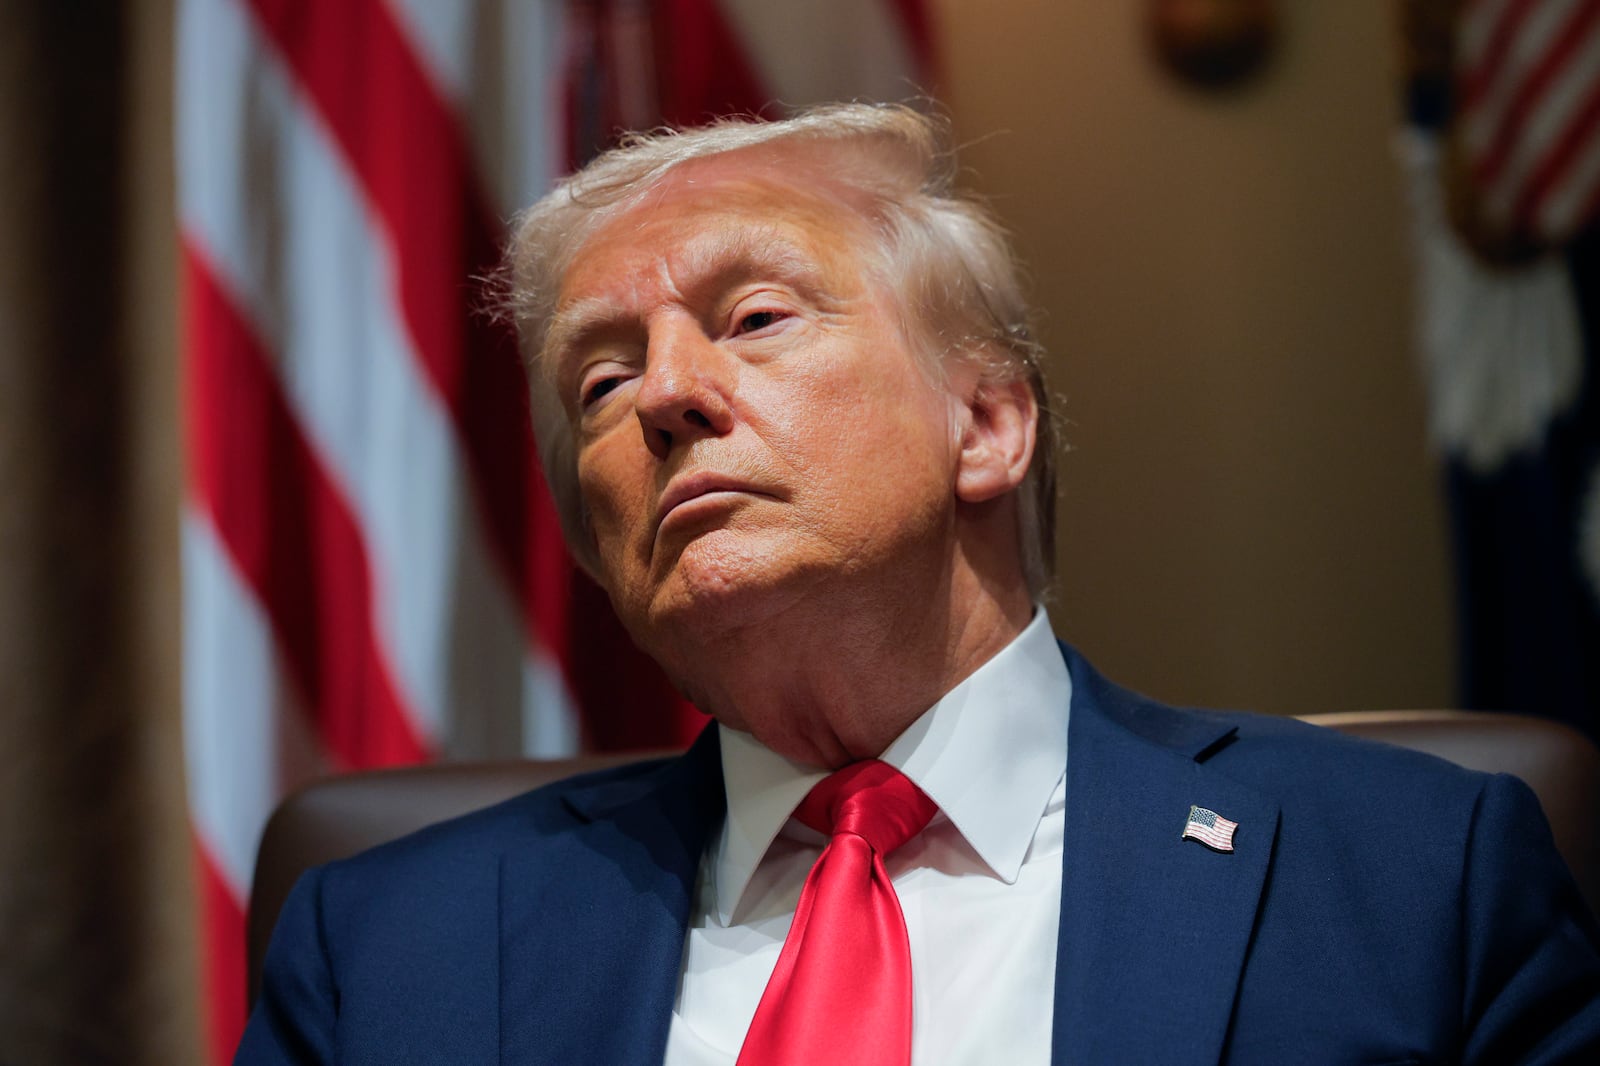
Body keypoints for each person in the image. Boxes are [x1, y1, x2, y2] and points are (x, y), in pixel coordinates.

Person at [237, 103, 1600, 1065]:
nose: (660, 394)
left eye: (755, 317)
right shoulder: (388, 947)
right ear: (598, 551)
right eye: (599, 378)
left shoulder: (1415, 880)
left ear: (988, 424)